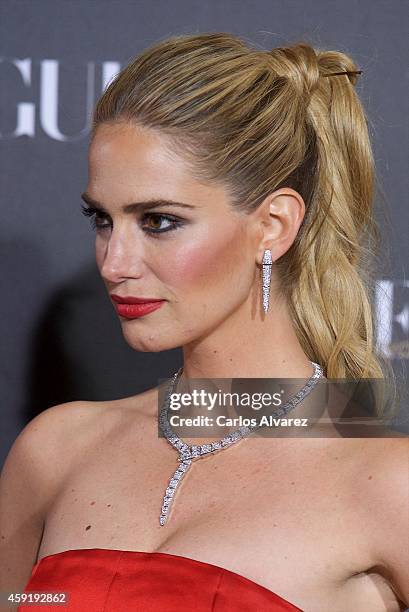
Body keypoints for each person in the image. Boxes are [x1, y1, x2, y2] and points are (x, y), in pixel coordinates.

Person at [0, 32, 408, 612]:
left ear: (273, 225)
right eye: (102, 220)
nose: (115, 263)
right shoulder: (55, 452)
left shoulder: (388, 487)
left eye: (159, 221)